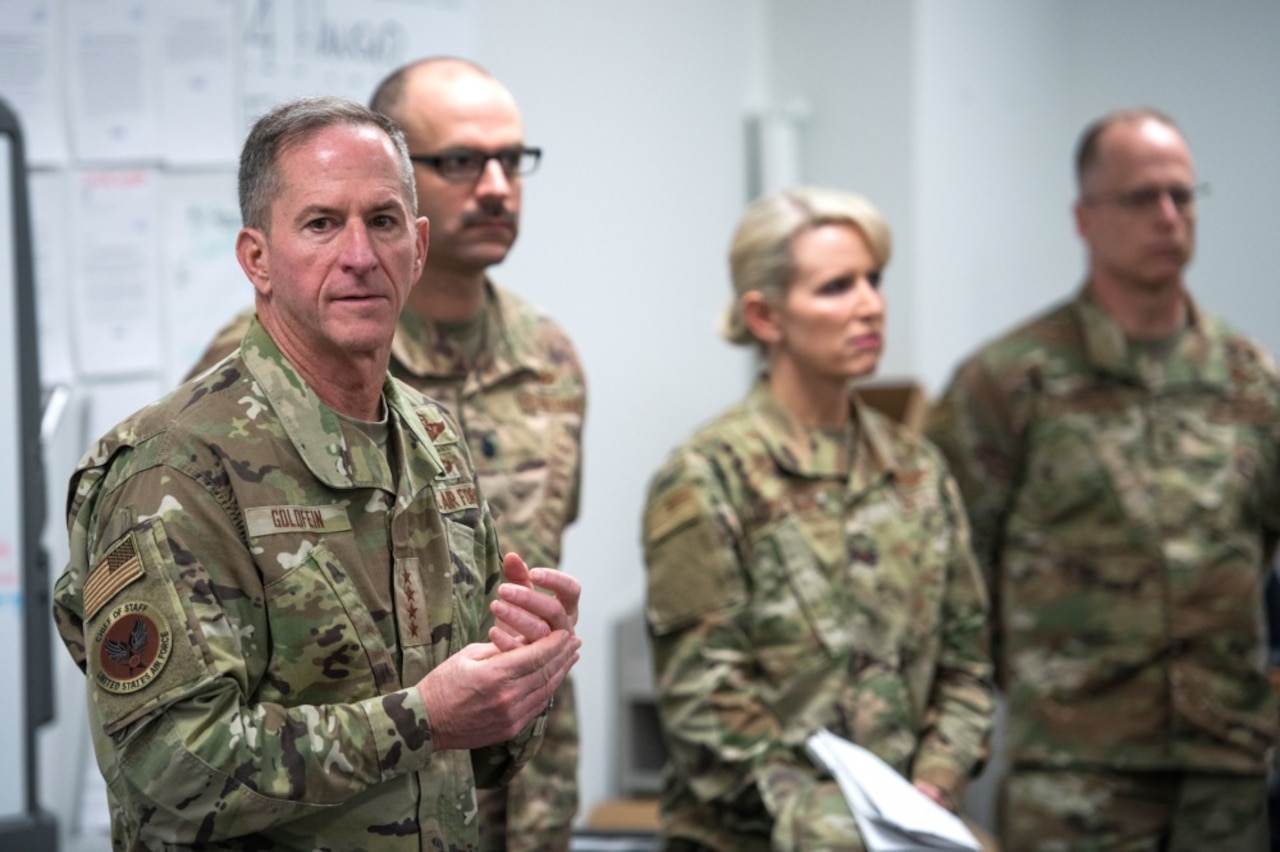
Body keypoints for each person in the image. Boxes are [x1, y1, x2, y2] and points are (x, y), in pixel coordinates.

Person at [51, 96, 581, 850]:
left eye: (385, 221)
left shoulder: (432, 439)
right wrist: (423, 716)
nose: (360, 255)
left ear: (418, 247)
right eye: (322, 223)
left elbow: (482, 756)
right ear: (257, 259)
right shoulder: (175, 466)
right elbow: (169, 776)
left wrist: (524, 672)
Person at [926, 108, 1280, 850]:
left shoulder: (1253, 383)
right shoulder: (1008, 383)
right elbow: (949, 574)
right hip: (1075, 772)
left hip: (1225, 771)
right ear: (1084, 218)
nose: (1167, 216)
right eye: (1141, 197)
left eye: (1183, 196)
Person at [641, 186, 994, 850]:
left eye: (874, 280)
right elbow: (704, 698)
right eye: (836, 287)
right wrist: (826, 820)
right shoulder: (708, 474)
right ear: (765, 316)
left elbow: (966, 664)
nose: (870, 304)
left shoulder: (919, 472)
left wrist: (933, 786)